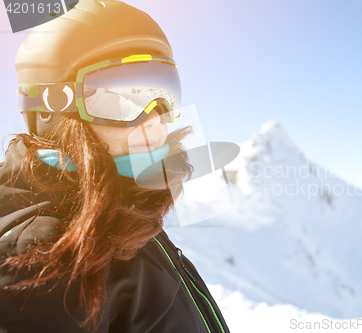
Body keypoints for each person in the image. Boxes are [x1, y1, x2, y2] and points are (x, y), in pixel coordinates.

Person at [0, 1, 230, 332]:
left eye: (163, 95)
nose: (154, 119)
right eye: (122, 98)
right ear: (53, 108)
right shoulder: (40, 258)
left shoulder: (117, 210)